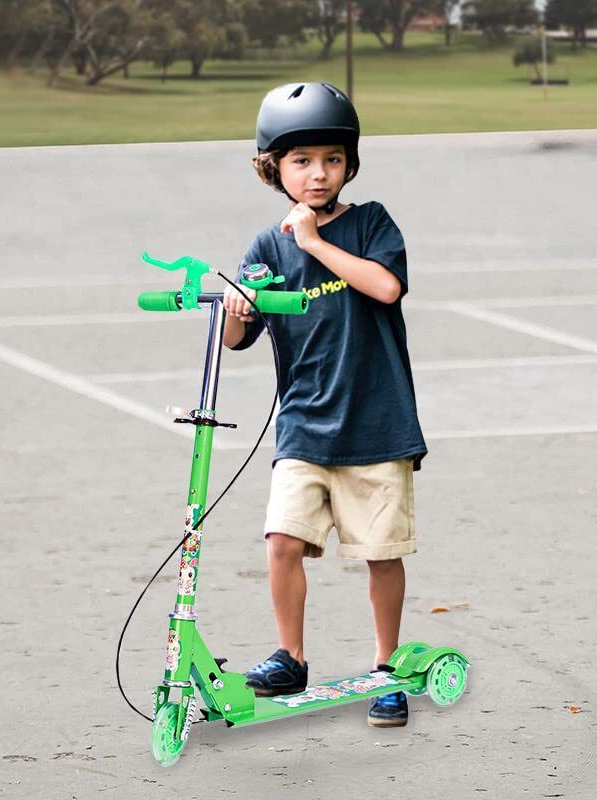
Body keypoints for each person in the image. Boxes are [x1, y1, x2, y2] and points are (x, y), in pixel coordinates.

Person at [222, 82, 427, 728]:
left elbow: (386, 287)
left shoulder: (371, 224)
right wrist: (236, 307)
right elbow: (236, 338)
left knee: (381, 554)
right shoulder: (266, 248)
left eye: (332, 159)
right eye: (302, 160)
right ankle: (291, 655)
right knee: (281, 541)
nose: (318, 173)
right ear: (273, 167)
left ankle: (387, 667)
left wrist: (313, 242)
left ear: (350, 165)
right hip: (304, 425)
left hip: (378, 425)